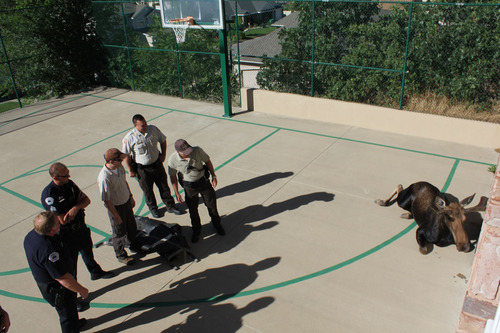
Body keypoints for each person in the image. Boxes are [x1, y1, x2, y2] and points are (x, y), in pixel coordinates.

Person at [41, 163, 114, 282]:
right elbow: (63, 220)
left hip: (80, 227)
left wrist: (75, 208)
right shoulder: (50, 195)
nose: (69, 176)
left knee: (88, 252)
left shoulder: (69, 184)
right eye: (65, 175)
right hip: (66, 235)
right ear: (56, 178)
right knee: (71, 262)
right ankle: (72, 290)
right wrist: (77, 207)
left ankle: (95, 272)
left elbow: (86, 200)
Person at [24, 211, 89, 333]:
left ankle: (75, 323)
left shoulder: (31, 236)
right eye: (57, 223)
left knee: (71, 313)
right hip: (58, 290)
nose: (60, 223)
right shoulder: (48, 249)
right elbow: (63, 278)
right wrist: (81, 289)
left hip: (55, 284)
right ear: (51, 230)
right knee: (66, 315)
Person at [122, 114, 182, 218]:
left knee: (164, 186)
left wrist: (163, 155)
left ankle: (170, 206)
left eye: (145, 123)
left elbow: (162, 140)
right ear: (135, 126)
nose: (145, 126)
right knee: (147, 190)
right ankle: (153, 209)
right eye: (142, 125)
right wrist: (130, 170)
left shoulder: (153, 129)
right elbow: (126, 155)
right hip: (142, 169)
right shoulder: (130, 138)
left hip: (157, 164)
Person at [168, 139, 225, 243]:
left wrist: (214, 176)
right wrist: (176, 193)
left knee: (212, 206)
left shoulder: (197, 150)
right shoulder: (172, 160)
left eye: (189, 150)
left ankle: (217, 224)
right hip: (189, 186)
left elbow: (207, 161)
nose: (189, 153)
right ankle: (196, 230)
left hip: (203, 182)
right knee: (193, 210)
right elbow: (173, 177)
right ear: (178, 152)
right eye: (185, 153)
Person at [97, 148, 139, 265]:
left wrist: (130, 196)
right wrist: (115, 215)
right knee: (119, 232)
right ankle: (121, 255)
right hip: (116, 207)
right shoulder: (104, 178)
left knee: (131, 225)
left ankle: (133, 245)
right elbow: (106, 200)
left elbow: (125, 182)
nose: (122, 162)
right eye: (119, 160)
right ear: (111, 161)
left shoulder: (119, 167)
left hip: (126, 202)